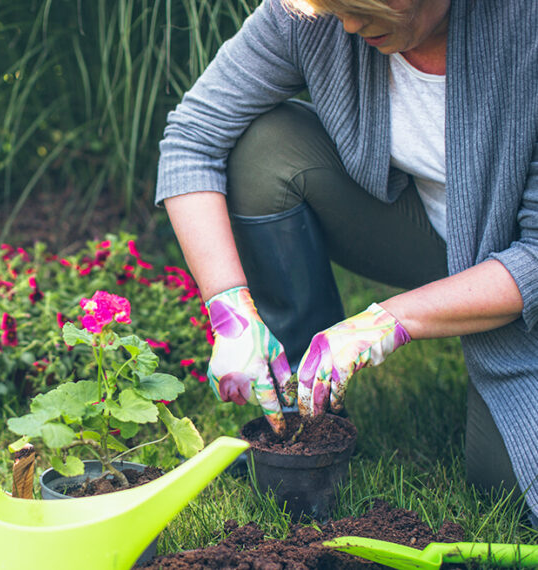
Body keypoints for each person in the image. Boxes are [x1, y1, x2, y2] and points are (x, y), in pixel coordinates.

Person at [156, 0, 538, 525]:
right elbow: (191, 137)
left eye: (361, 7)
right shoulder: (315, 14)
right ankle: (305, 413)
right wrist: (230, 310)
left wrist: (387, 321)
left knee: (511, 480)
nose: (350, 25)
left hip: (518, 261)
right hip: (426, 232)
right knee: (264, 150)